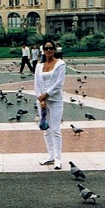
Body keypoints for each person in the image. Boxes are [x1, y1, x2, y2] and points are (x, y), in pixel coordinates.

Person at [34, 40, 66, 170]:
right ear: (43, 50)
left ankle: (58, 159)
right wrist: (40, 99)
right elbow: (36, 83)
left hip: (55, 100)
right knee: (46, 129)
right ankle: (50, 156)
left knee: (56, 129)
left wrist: (46, 95)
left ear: (55, 49)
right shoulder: (39, 66)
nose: (49, 51)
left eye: (51, 48)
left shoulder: (60, 64)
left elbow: (59, 84)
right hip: (42, 101)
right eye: (46, 48)